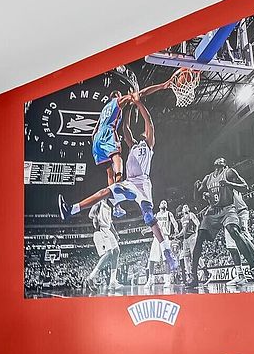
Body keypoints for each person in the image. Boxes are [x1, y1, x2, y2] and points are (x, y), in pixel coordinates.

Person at [59, 77, 177, 271]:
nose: (140, 134)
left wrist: (138, 103)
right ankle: (71, 209)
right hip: (130, 183)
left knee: (149, 217)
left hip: (143, 184)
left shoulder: (148, 144)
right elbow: (125, 128)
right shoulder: (132, 145)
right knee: (104, 192)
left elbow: (149, 122)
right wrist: (128, 108)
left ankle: (167, 252)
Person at [186, 157, 254, 290]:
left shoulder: (230, 172)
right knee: (200, 237)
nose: (219, 161)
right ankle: (194, 276)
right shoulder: (208, 178)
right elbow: (197, 199)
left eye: (221, 161)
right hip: (213, 210)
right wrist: (195, 189)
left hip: (229, 208)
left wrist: (229, 184)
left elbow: (245, 187)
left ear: (225, 165)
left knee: (235, 232)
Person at [85, 199, 121, 291]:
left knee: (116, 251)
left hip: (108, 230)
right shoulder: (99, 203)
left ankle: (113, 281)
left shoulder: (109, 207)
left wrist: (115, 233)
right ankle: (91, 277)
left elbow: (110, 223)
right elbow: (90, 215)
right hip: (100, 230)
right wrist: (96, 214)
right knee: (109, 254)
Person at [146, 200, 179, 284]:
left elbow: (174, 222)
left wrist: (176, 228)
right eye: (162, 202)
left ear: (166, 206)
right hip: (156, 237)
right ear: (159, 206)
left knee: (166, 258)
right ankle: (150, 279)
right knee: (152, 259)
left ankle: (167, 279)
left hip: (165, 237)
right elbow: (152, 226)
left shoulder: (169, 213)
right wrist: (146, 230)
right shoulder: (156, 215)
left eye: (165, 203)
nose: (164, 203)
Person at [178, 204, 200, 284]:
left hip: (191, 236)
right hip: (185, 239)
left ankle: (206, 272)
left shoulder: (191, 215)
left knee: (194, 254)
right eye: (184, 207)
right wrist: (178, 235)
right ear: (182, 210)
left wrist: (196, 234)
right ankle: (190, 276)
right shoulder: (182, 219)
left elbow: (198, 223)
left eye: (187, 206)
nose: (185, 208)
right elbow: (183, 230)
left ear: (189, 209)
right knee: (186, 257)